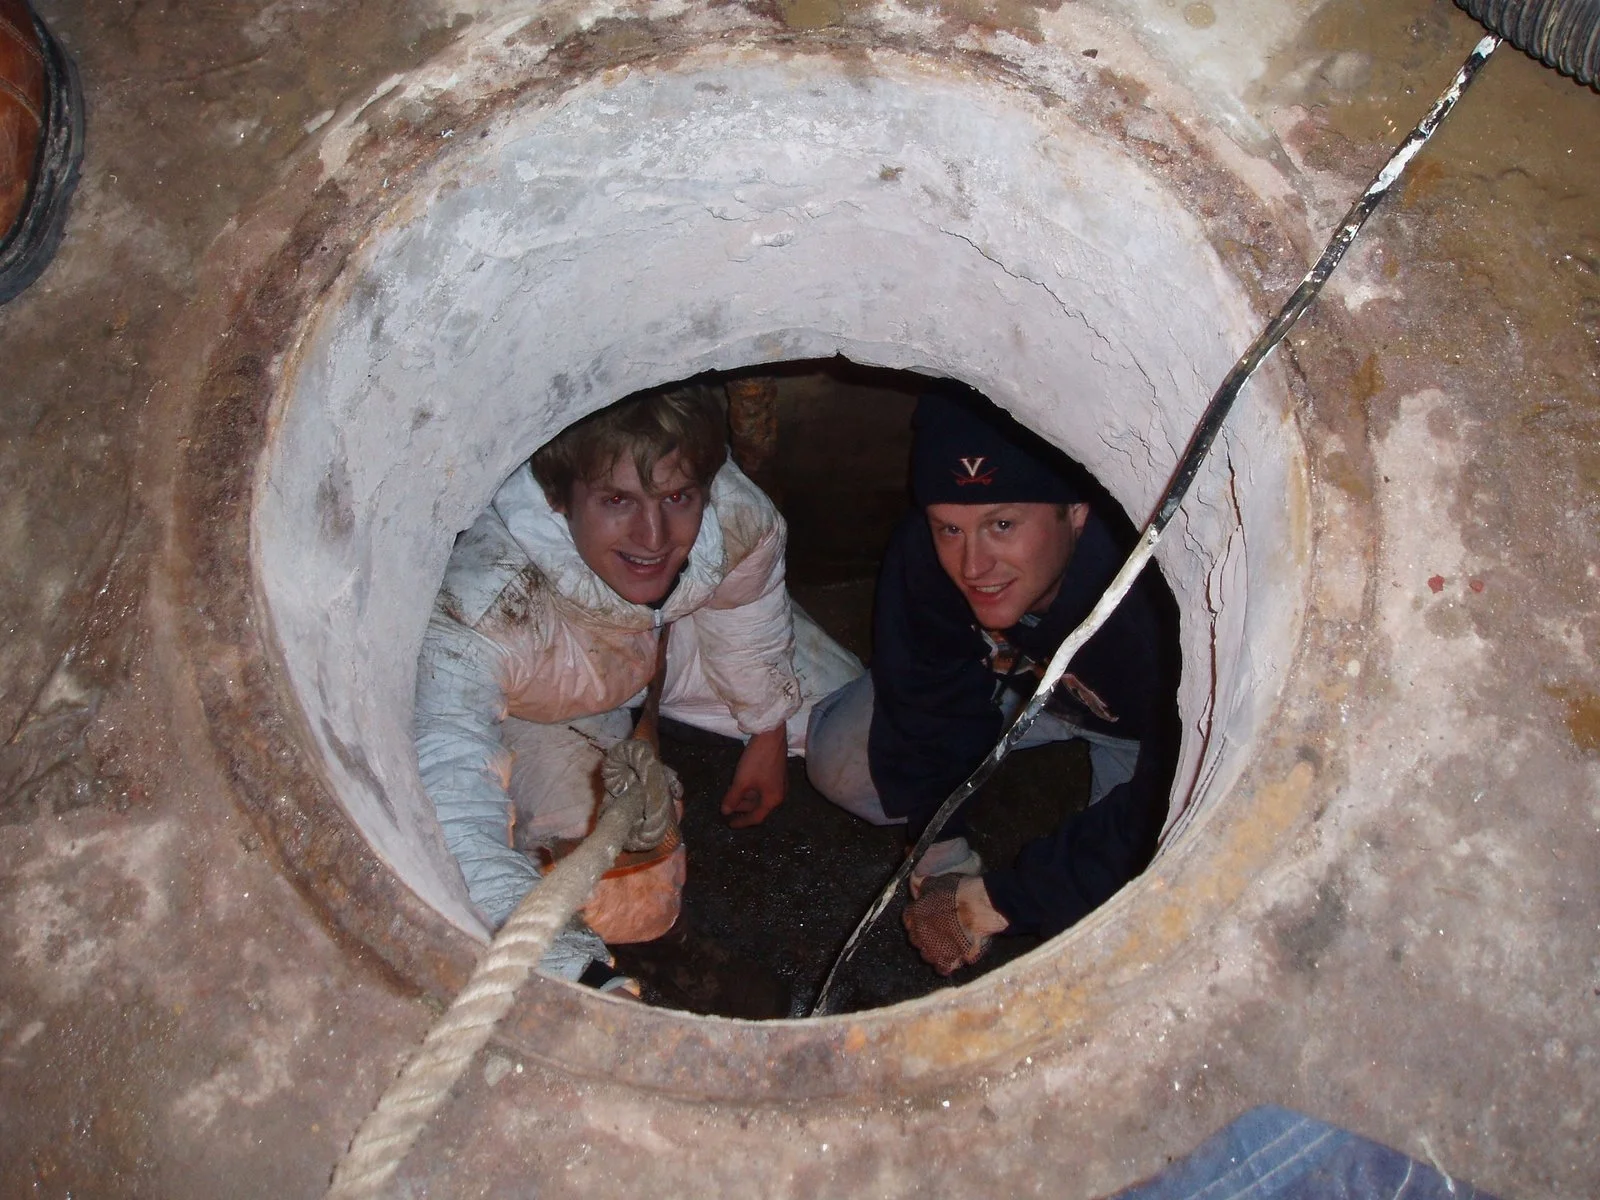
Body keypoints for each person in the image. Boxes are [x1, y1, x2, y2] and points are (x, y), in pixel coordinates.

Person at [414, 384, 861, 989]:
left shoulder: (731, 514)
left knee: (855, 732)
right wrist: (564, 964)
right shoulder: (481, 612)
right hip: (551, 692)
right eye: (617, 499)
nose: (653, 538)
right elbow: (451, 798)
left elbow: (746, 604)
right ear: (558, 495)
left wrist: (766, 728)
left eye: (678, 496)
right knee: (636, 901)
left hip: (678, 637)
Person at [806, 389, 1177, 976]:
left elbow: (1159, 802)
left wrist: (1002, 900)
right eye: (950, 528)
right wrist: (942, 852)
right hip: (1017, 684)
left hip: (1140, 732)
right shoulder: (929, 553)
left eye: (1002, 523)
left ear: (1075, 511)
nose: (973, 566)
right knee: (840, 764)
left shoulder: (1156, 608)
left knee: (1147, 897)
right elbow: (922, 694)